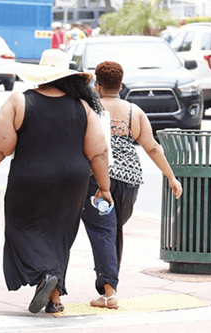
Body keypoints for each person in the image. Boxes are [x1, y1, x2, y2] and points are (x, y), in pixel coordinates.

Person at [0, 49, 113, 314]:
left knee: (20, 227)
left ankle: (43, 275)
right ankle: (54, 295)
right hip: (73, 181)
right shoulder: (83, 107)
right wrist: (104, 188)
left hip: (30, 178)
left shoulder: (21, 102)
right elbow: (99, 151)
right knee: (59, 233)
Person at [82, 61, 183, 309]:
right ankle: (109, 287)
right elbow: (152, 147)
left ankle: (109, 291)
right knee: (113, 230)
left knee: (104, 231)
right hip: (129, 182)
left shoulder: (88, 109)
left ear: (98, 84)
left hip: (98, 178)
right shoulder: (133, 112)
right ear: (120, 84)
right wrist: (171, 176)